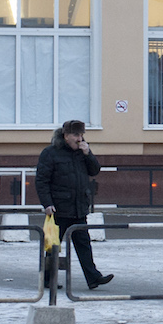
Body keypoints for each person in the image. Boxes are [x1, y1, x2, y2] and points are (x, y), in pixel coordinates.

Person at [35, 120, 112, 290]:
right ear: (66, 135)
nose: (80, 138)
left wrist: (88, 154)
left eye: (82, 135)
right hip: (59, 208)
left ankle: (93, 278)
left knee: (84, 243)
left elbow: (95, 170)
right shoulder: (50, 153)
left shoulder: (82, 152)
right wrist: (47, 203)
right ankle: (47, 279)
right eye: (76, 135)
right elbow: (41, 180)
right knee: (53, 246)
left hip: (78, 207)